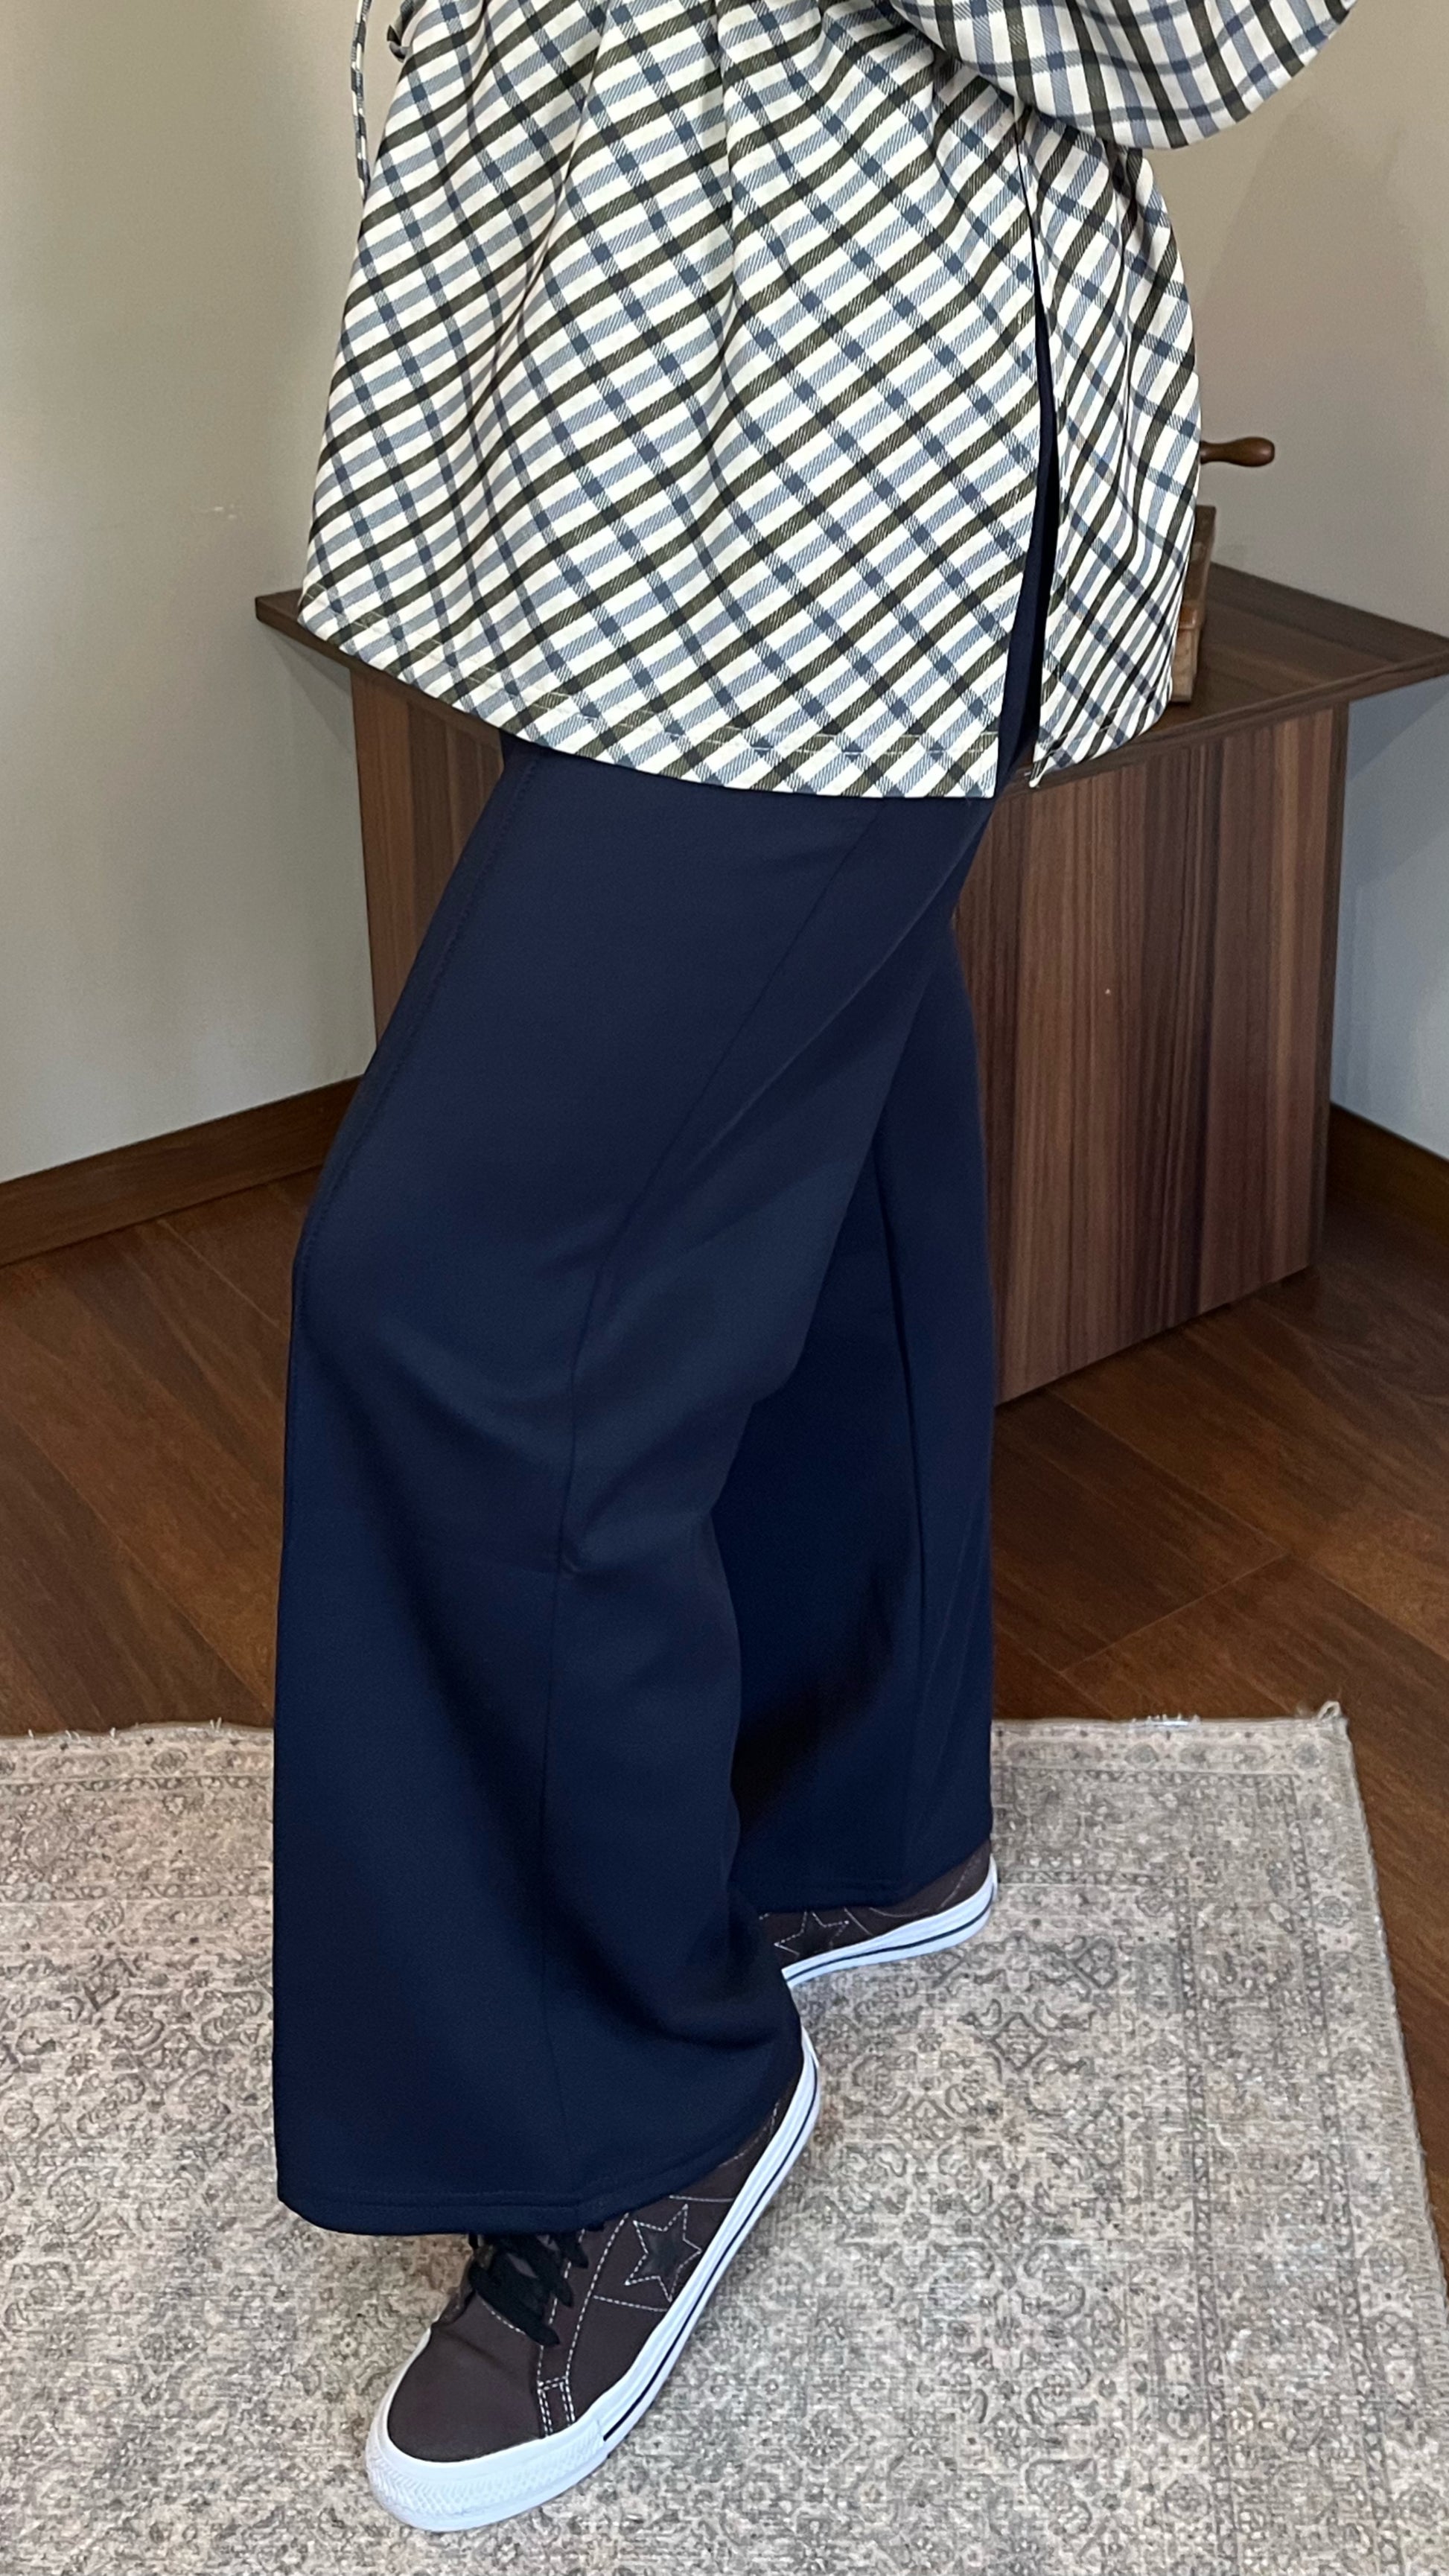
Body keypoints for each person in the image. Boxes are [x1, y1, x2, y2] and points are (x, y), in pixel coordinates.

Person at [272, 0, 1358, 2534]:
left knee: (457, 1304)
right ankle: (853, 1793)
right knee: (829, 1126)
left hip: (832, 482)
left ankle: (622, 2105)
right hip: (630, 456)